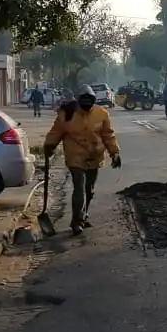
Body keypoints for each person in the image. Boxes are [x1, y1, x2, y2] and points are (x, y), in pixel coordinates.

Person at [43, 85, 121, 235]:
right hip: (76, 157)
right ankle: (76, 221)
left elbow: (108, 135)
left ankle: (84, 215)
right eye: (83, 100)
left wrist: (114, 153)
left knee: (89, 190)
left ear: (94, 100)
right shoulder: (67, 114)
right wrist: (49, 146)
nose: (86, 103)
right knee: (79, 186)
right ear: (78, 101)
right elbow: (55, 132)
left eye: (89, 100)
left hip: (95, 157)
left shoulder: (101, 113)